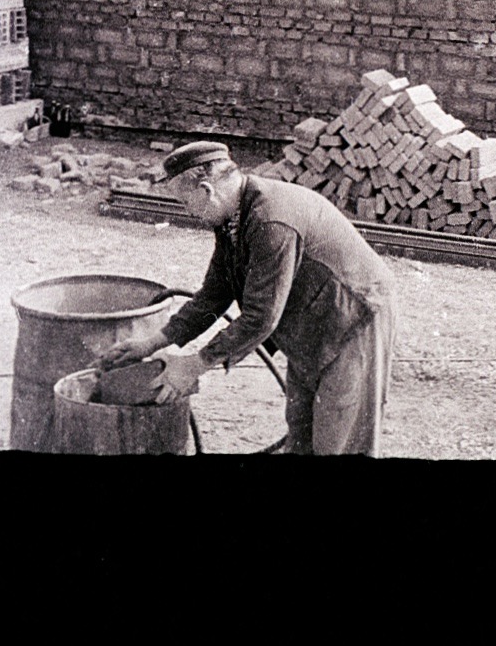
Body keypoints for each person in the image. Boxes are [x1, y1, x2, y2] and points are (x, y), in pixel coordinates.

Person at [100, 141, 399, 455]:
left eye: (185, 203)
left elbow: (261, 317)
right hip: (311, 322)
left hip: (354, 318)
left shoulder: (270, 221)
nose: (188, 212)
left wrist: (195, 363)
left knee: (340, 438)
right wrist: (154, 342)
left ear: (205, 190)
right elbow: (215, 293)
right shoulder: (232, 215)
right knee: (301, 433)